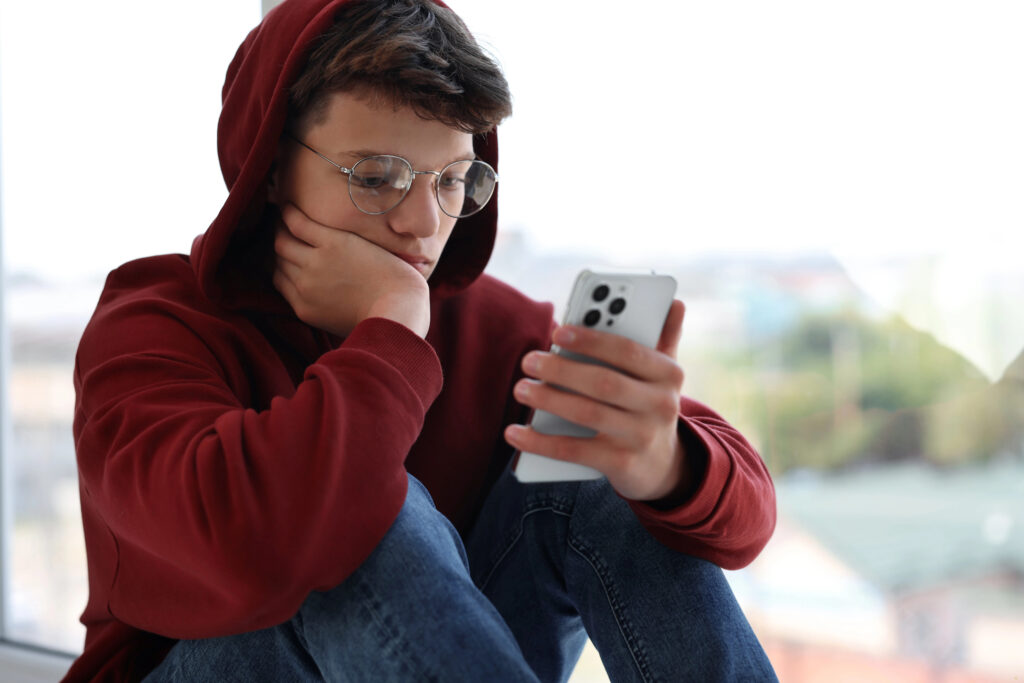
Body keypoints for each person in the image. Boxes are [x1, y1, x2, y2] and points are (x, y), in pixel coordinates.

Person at [64, 0, 778, 680]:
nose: (424, 223)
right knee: (352, 508)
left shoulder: (488, 325)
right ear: (272, 165)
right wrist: (391, 327)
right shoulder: (151, 326)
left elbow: (748, 519)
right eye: (377, 177)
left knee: (591, 456)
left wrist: (666, 464)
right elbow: (257, 542)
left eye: (453, 182)